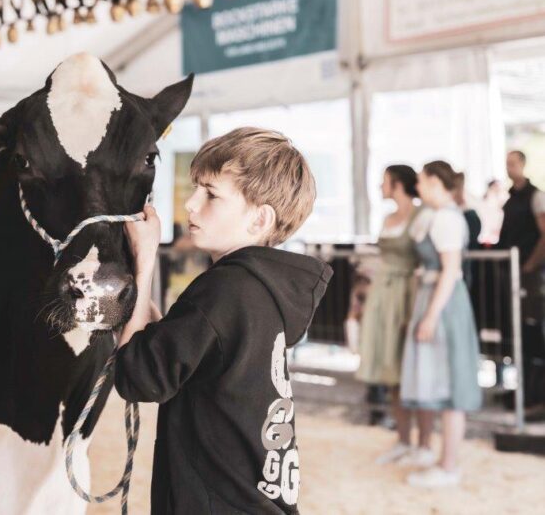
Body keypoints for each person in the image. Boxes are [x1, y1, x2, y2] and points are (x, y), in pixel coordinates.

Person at [114, 127, 332, 514]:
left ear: (259, 219)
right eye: (195, 189)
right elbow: (182, 354)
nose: (191, 204)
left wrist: (144, 260)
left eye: (211, 194)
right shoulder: (263, 289)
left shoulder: (223, 289)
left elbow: (138, 376)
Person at [400, 161, 482, 488]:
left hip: (444, 305)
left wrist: (432, 315)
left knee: (450, 383)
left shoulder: (446, 219)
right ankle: (436, 457)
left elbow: (450, 270)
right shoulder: (437, 216)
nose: (418, 187)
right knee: (438, 380)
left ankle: (449, 466)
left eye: (421, 181)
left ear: (435, 181)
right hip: (434, 298)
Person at [356, 165, 432, 466]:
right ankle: (403, 440)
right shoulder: (388, 218)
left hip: (408, 293)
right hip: (383, 296)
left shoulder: (421, 215)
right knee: (391, 373)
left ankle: (424, 444)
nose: (380, 186)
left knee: (414, 371)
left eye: (384, 181)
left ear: (397, 183)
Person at [496, 150, 545, 408]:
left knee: (530, 331)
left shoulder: (535, 196)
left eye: (513, 164)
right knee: (516, 332)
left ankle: (535, 392)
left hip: (528, 274)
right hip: (513, 272)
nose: (509, 168)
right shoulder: (511, 198)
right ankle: (523, 390)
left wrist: (530, 265)